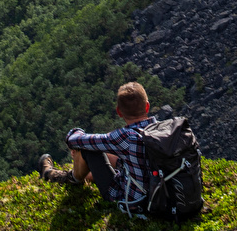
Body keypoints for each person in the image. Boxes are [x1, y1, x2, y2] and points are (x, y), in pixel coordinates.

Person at [39, 82, 166, 212]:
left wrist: (77, 133)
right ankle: (82, 174)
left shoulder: (124, 137)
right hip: (165, 196)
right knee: (116, 155)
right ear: (147, 107)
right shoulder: (164, 130)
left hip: (134, 201)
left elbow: (74, 140)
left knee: (89, 150)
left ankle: (64, 178)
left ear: (119, 112)